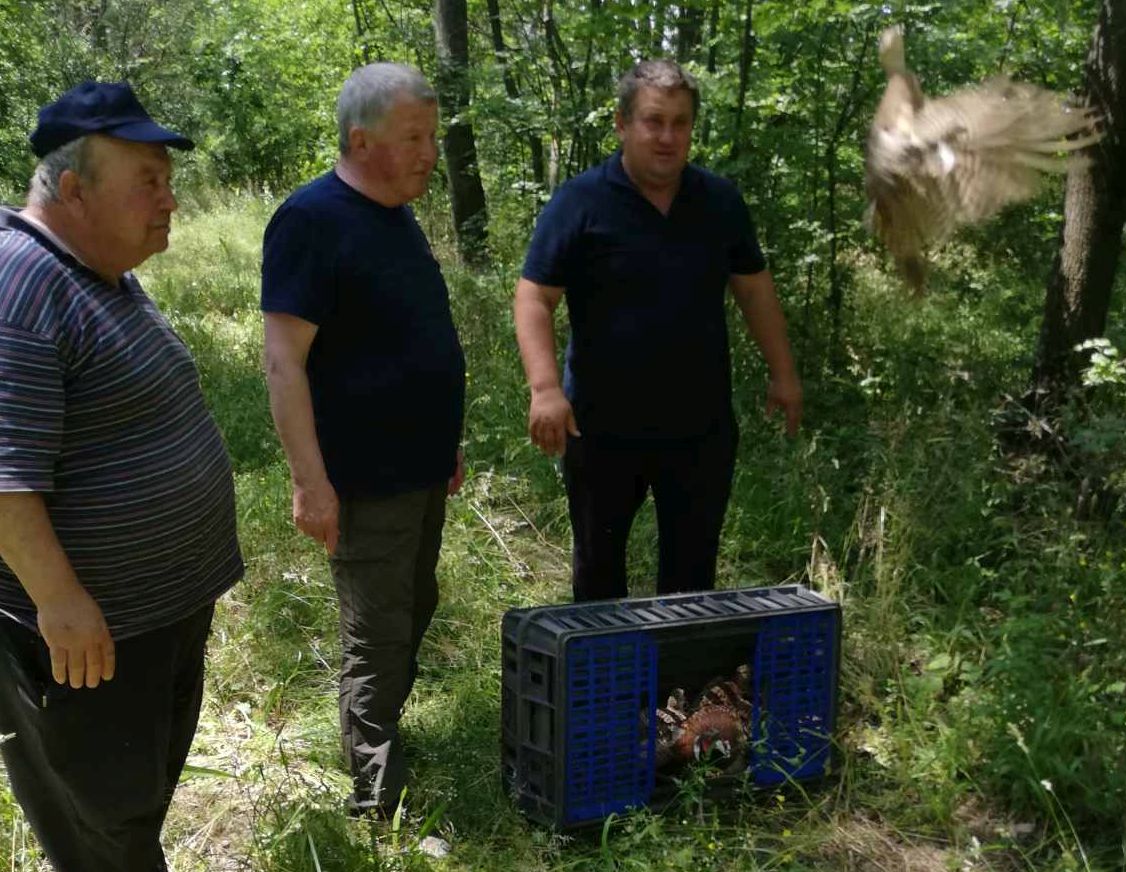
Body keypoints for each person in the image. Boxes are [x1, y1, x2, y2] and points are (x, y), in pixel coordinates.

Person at [0, 81, 244, 871]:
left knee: (131, 807)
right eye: (148, 180)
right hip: (86, 644)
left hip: (145, 626)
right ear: (73, 189)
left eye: (167, 179)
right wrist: (59, 601)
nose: (170, 198)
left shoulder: (98, 275)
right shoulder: (20, 285)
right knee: (105, 828)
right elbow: (3, 477)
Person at [514, 59, 802, 603]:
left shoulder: (719, 202)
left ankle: (681, 662)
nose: (667, 137)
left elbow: (755, 290)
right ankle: (604, 662)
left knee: (691, 580)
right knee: (598, 576)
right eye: (653, 121)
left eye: (680, 123)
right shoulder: (581, 202)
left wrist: (783, 374)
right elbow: (535, 296)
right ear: (622, 124)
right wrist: (545, 388)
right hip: (600, 428)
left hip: (699, 427)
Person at [261, 63, 465, 820]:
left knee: (412, 610)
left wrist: (444, 441)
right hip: (363, 480)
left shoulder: (396, 216)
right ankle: (380, 803)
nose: (429, 154)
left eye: (431, 137)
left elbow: (406, 338)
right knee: (376, 640)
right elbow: (283, 362)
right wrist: (309, 481)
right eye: (413, 138)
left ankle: (381, 743)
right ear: (360, 141)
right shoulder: (311, 220)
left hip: (419, 469)